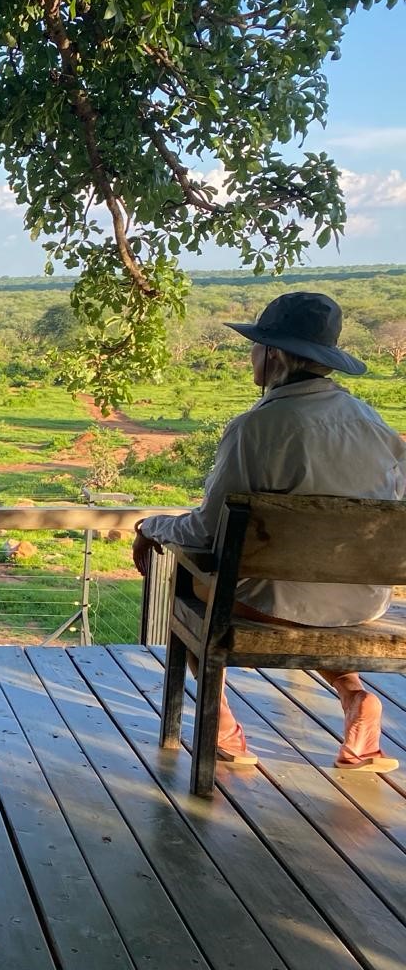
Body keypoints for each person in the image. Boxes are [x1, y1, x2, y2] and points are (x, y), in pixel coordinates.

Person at [133, 291, 406, 773]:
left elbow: (205, 531)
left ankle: (224, 733)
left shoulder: (255, 427)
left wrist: (151, 527)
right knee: (313, 597)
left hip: (268, 605)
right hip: (363, 603)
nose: (251, 356)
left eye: (255, 347)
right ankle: (354, 695)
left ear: (274, 355)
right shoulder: (374, 425)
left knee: (186, 578)